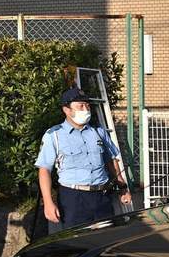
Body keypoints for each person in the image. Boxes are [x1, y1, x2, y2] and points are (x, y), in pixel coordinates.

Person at [36, 87, 132, 229]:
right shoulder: (54, 135)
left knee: (106, 241)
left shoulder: (99, 132)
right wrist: (48, 203)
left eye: (87, 105)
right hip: (73, 199)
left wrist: (123, 187)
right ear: (66, 110)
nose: (86, 109)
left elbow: (111, 161)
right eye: (80, 106)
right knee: (78, 244)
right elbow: (44, 170)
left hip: (102, 196)